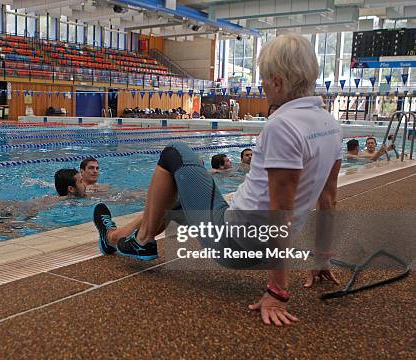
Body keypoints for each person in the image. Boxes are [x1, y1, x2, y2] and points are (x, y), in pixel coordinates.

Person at [93, 33, 343, 326]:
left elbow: (281, 214)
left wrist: (278, 292)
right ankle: (112, 237)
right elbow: (329, 198)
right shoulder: (331, 125)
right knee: (169, 203)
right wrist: (322, 258)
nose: (262, 87)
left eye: (263, 79)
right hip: (255, 246)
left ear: (277, 82)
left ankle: (145, 241)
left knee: (175, 153)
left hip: (233, 241)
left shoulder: (282, 126)